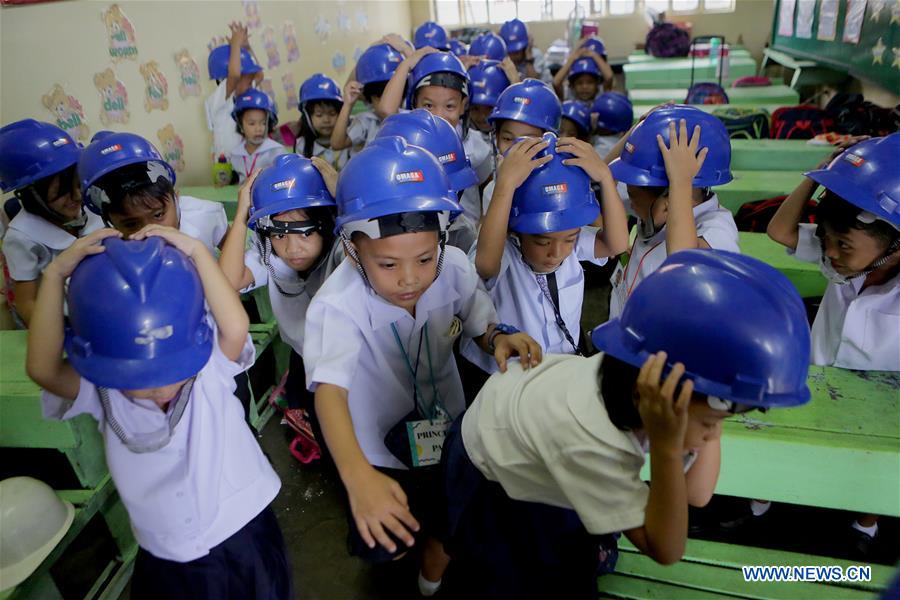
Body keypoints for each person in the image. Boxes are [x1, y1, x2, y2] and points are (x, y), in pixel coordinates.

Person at [444, 249, 813, 599]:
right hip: (493, 474)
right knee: (519, 580)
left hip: (538, 447)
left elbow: (696, 494)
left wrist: (702, 418)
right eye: (712, 422)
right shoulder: (592, 442)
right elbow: (665, 548)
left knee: (575, 547)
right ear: (660, 394)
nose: (712, 435)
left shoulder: (630, 377)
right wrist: (668, 451)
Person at [302, 136, 541, 597]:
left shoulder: (452, 268)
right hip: (374, 451)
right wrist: (357, 478)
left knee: (448, 524)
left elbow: (476, 318)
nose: (410, 277)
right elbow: (328, 392)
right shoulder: (337, 305)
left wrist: (497, 337)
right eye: (388, 263)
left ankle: (429, 585)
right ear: (352, 249)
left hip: (448, 430)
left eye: (424, 258)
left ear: (443, 239)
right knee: (387, 539)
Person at [29, 229, 291, 598]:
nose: (160, 386)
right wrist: (55, 274)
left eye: (171, 368)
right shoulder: (100, 388)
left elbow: (235, 326)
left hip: (242, 532)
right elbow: (43, 369)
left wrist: (199, 253)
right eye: (141, 376)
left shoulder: (209, 365)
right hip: (166, 550)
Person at [607, 105, 740, 319]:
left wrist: (680, 180)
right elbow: (604, 181)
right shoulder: (649, 197)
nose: (628, 199)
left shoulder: (717, 227)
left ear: (668, 201)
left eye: (632, 195)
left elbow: (683, 263)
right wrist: (637, 131)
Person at [0, 119, 102, 326]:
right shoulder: (21, 237)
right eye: (62, 191)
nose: (76, 196)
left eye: (78, 184)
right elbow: (26, 303)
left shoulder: (90, 207)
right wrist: (54, 335)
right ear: (31, 193)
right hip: (54, 316)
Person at [78, 132, 227, 255]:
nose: (150, 232)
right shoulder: (101, 251)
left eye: (158, 215)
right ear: (110, 223)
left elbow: (233, 257)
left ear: (176, 198)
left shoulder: (206, 215)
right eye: (131, 224)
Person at [205, 21, 263, 183]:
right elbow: (235, 75)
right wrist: (236, 44)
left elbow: (259, 75)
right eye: (248, 78)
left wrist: (247, 47)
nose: (252, 80)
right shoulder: (220, 99)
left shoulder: (244, 94)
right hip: (226, 165)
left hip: (245, 162)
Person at [230, 88, 286, 183]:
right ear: (241, 126)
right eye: (252, 123)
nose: (258, 128)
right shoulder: (235, 154)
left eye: (263, 123)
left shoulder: (277, 151)